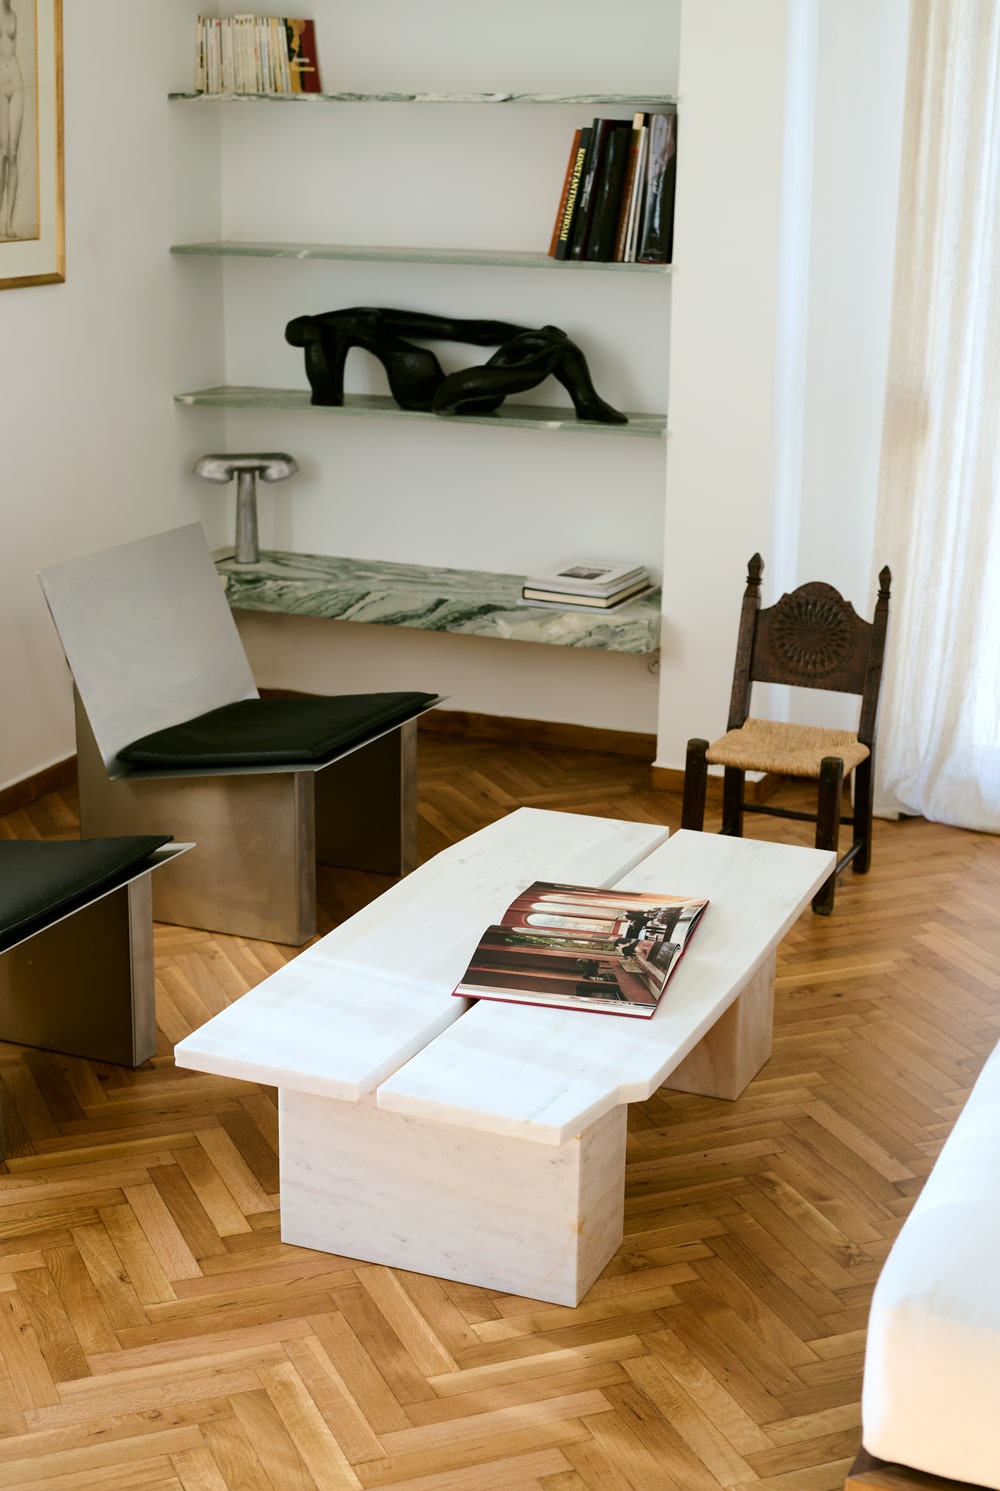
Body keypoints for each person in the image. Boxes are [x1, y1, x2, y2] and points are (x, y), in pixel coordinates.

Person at [0, 0, 24, 240]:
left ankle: (8, 222)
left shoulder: (14, 14)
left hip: (15, 81)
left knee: (14, 153)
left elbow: (12, 48)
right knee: (3, 153)